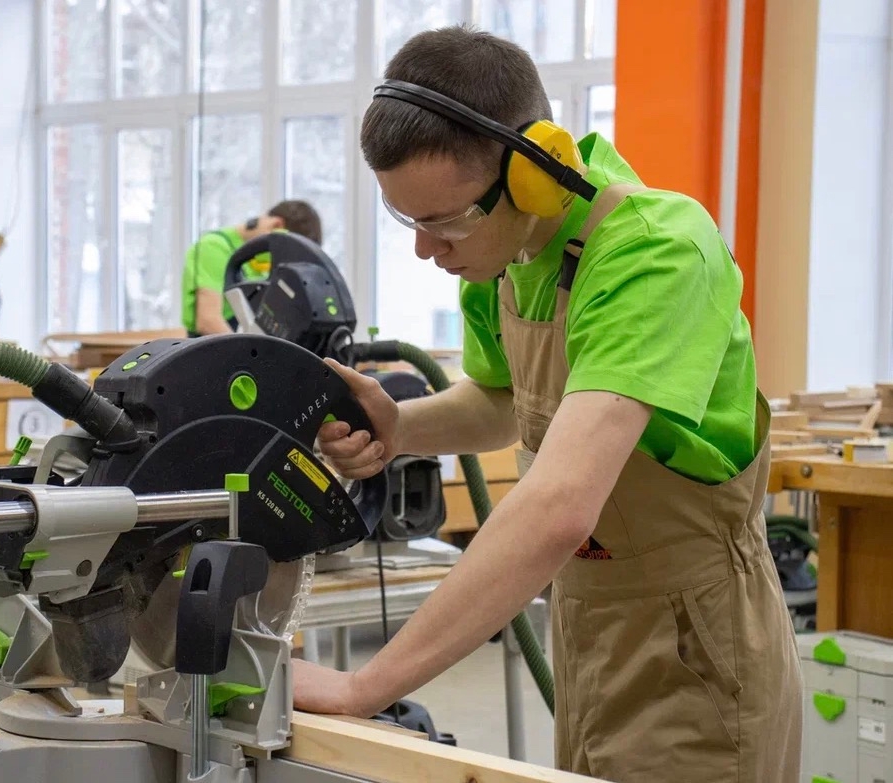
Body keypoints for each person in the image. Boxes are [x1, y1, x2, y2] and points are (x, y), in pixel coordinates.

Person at [292, 25, 802, 783]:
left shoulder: (656, 253)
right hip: (587, 624)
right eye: (410, 220)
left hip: (695, 640)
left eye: (446, 221)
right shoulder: (508, 254)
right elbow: (507, 402)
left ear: (536, 171)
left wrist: (365, 686)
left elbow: (562, 502)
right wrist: (403, 427)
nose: (427, 250)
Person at [181, 200, 322, 336]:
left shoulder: (256, 259)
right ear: (276, 225)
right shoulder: (213, 247)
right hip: (210, 344)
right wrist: (246, 349)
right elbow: (207, 321)